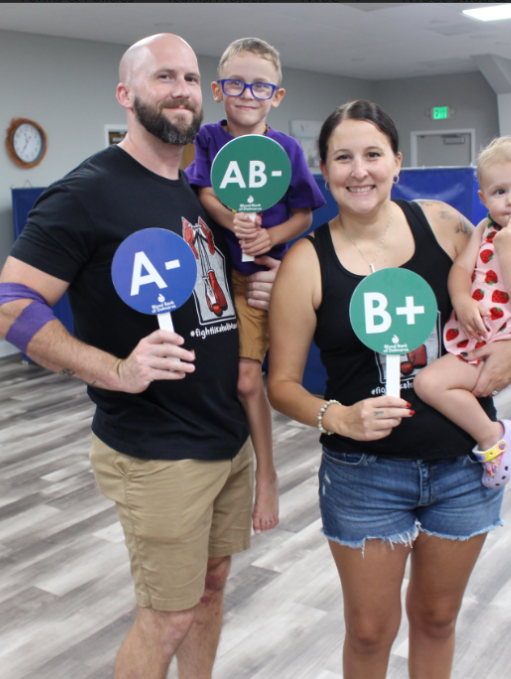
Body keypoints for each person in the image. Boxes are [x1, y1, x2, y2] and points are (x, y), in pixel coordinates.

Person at [0, 34, 266, 679]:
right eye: (164, 77)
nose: (182, 91)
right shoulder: (86, 192)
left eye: (192, 79)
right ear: (126, 95)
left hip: (223, 434)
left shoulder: (189, 189)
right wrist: (115, 370)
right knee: (166, 616)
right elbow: (10, 307)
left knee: (213, 584)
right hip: (156, 448)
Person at [267, 100, 511, 679]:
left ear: (397, 161)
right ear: (323, 169)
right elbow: (281, 386)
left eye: (372, 154)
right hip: (366, 475)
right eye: (343, 157)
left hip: (466, 465)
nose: (358, 170)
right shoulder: (306, 263)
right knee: (369, 633)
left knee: (438, 619)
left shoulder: (442, 222)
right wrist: (338, 418)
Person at [184, 37, 326, 534]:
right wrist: (231, 217)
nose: (248, 94)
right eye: (237, 84)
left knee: (250, 380)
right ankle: (219, 470)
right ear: (219, 89)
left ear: (277, 95)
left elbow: (305, 213)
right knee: (214, 381)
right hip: (216, 277)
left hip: (263, 278)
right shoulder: (207, 138)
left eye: (261, 85)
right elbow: (203, 191)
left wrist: (269, 235)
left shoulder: (287, 149)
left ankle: (267, 474)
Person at [415, 135, 511, 489]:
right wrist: (462, 300)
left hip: (501, 342)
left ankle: (492, 438)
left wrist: (509, 253)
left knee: (428, 384)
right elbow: (461, 270)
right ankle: (485, 436)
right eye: (499, 192)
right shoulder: (485, 228)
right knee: (430, 383)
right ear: (483, 198)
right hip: (470, 336)